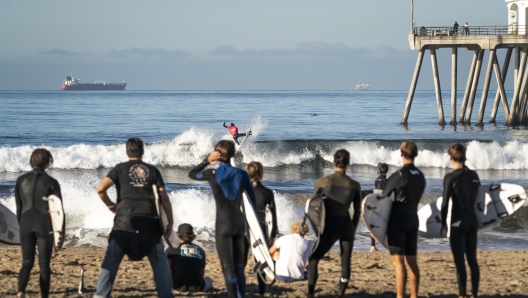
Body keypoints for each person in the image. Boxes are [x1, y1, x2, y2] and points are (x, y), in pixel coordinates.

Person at [93, 137, 174, 298]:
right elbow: (164, 198)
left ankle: (100, 296)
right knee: (160, 266)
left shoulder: (119, 169)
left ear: (126, 151)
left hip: (124, 225)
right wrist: (170, 222)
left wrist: (111, 205)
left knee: (110, 264)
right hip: (150, 227)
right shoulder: (152, 170)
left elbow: (100, 189)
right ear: (143, 151)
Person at [189, 140, 257, 298]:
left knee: (228, 268)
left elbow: (192, 174)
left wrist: (207, 160)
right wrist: (254, 227)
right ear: (233, 153)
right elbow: (252, 203)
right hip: (239, 226)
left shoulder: (212, 174)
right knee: (239, 268)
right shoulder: (243, 175)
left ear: (217, 155)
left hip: (223, 226)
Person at [307, 149, 362, 298]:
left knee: (314, 259)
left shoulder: (323, 182)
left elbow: (313, 207)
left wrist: (317, 230)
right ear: (348, 164)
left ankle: (311, 294)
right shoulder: (355, 185)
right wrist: (352, 230)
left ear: (333, 161)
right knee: (345, 263)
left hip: (328, 228)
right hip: (346, 227)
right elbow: (357, 212)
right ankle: (340, 295)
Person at [15, 149, 62, 298]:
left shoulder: (21, 180)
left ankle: (21, 291)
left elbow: (19, 208)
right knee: (44, 264)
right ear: (47, 162)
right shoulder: (52, 182)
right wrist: (60, 234)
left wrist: (21, 226)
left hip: (25, 224)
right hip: (44, 226)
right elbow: (58, 211)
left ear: (32, 161)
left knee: (27, 262)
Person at [382, 141, 426, 298]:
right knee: (412, 262)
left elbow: (382, 197)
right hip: (413, 220)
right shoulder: (421, 176)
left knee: (398, 262)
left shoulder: (399, 175)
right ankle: (414, 296)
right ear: (416, 154)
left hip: (398, 222)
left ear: (401, 154)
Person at [440, 144, 480, 298]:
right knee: (472, 260)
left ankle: (462, 295)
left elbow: (444, 204)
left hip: (457, 222)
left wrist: (443, 222)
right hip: (472, 221)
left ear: (451, 158)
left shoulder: (450, 177)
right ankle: (474, 294)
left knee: (459, 261)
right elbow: (479, 197)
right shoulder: (474, 176)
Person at [245, 161, 278, 298]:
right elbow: (273, 217)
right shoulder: (267, 192)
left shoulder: (243, 191)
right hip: (260, 230)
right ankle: (262, 291)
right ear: (261, 173)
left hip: (245, 229)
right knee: (261, 259)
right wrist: (272, 236)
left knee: (241, 260)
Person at [166, 223, 213, 293]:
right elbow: (201, 272)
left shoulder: (172, 249)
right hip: (198, 286)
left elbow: (168, 270)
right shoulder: (200, 250)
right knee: (209, 280)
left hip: (177, 286)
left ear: (178, 235)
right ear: (192, 236)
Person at [370, 162, 389, 252]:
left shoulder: (376, 180)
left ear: (379, 170)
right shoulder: (387, 181)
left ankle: (372, 246)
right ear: (387, 171)